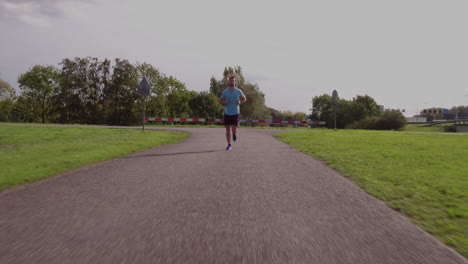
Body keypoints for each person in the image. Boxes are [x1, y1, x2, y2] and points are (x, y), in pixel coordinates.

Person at [219, 75, 247, 150]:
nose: (232, 82)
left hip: (235, 113)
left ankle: (234, 133)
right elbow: (220, 100)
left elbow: (244, 99)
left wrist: (240, 102)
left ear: (235, 82)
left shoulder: (238, 91)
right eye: (231, 80)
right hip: (227, 113)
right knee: (227, 129)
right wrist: (224, 101)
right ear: (229, 82)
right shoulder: (225, 92)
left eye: (233, 81)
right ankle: (229, 144)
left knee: (233, 129)